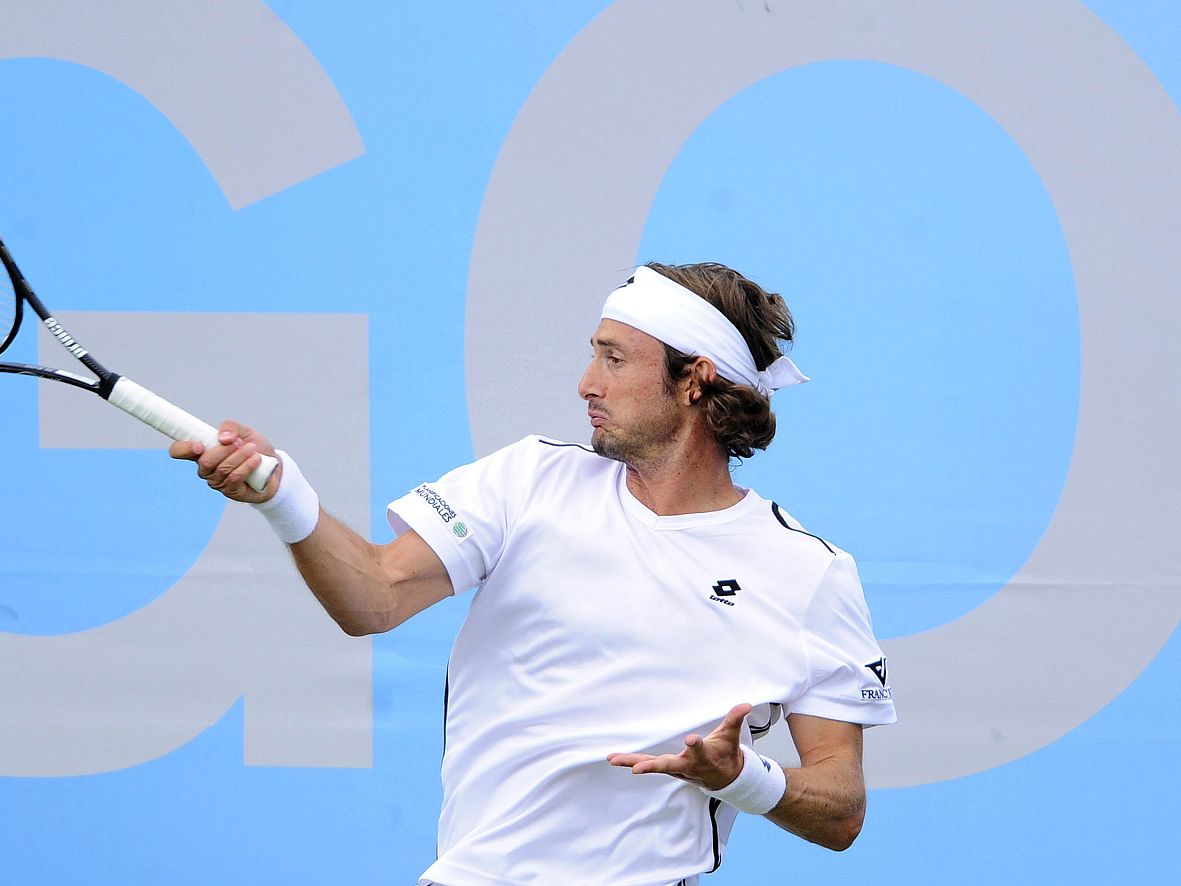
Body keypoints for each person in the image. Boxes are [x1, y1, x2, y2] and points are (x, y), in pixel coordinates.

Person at [171, 262, 895, 885]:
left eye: (614, 360)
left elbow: (840, 807)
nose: (586, 383)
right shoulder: (527, 481)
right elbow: (374, 598)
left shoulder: (808, 573)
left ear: (694, 381)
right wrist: (284, 496)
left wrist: (742, 777)